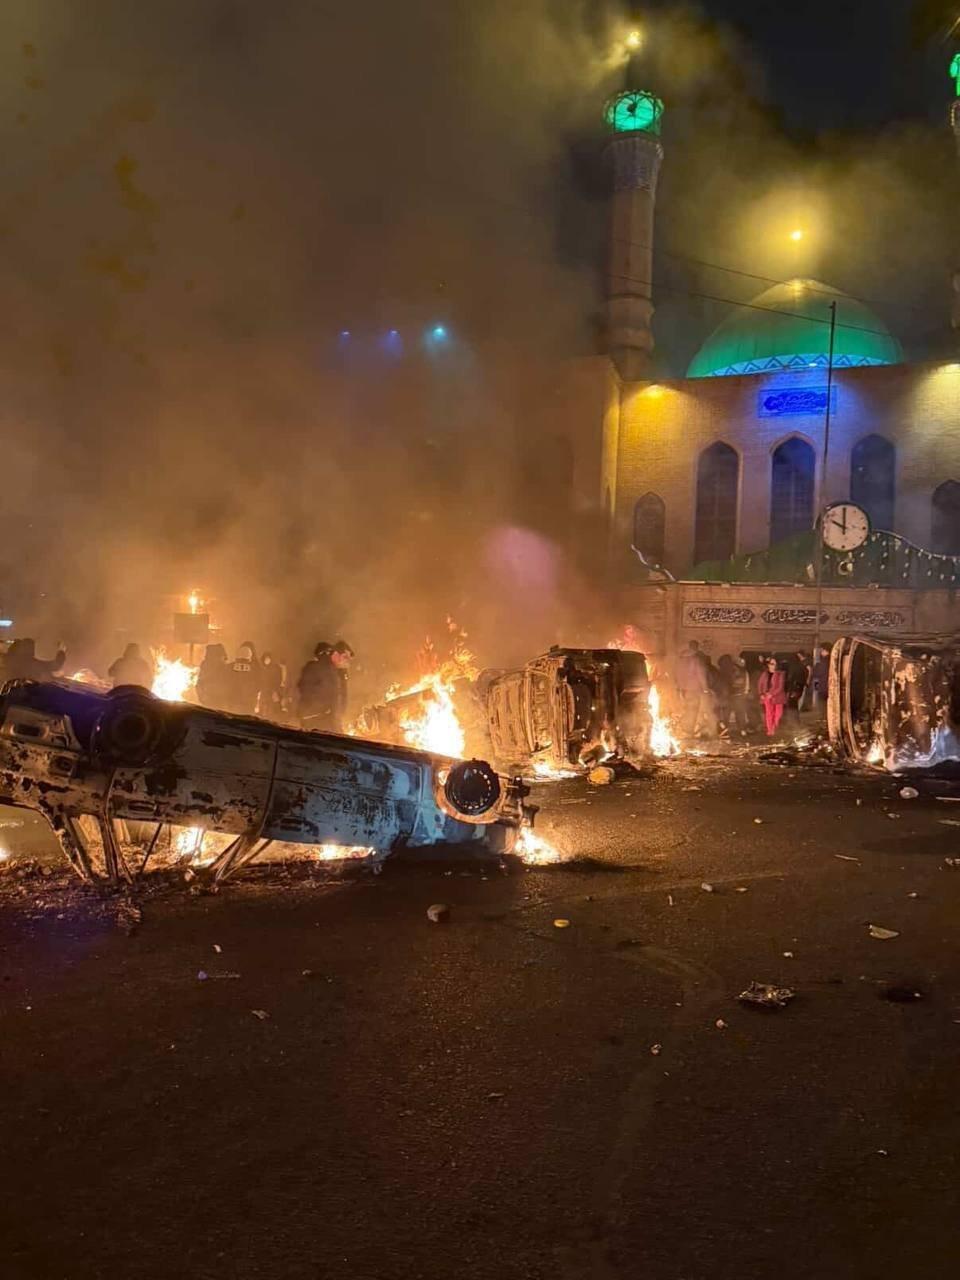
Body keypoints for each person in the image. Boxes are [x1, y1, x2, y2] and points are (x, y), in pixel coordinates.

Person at [297, 639, 354, 732]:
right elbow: (303, 689)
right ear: (335, 654)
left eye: (348, 659)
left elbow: (338, 700)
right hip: (317, 722)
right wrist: (320, 712)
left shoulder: (337, 673)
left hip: (329, 722)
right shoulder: (317, 668)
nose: (346, 661)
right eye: (345, 657)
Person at [226, 641, 261, 715]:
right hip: (248, 701)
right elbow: (259, 683)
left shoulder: (230, 667)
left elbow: (226, 681)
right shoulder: (256, 668)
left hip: (234, 700)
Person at [757, 657, 787, 738]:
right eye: (772, 664)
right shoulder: (765, 674)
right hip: (766, 696)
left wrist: (771, 694)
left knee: (778, 715)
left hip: (778, 697)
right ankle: (770, 730)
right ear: (768, 665)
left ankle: (775, 728)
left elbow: (780, 687)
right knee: (769, 714)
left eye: (775, 664)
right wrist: (761, 694)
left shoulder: (780, 674)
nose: (774, 666)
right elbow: (760, 684)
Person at [196, 643, 231, 710]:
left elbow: (199, 683)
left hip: (209, 699)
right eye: (222, 656)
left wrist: (202, 697)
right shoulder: (223, 667)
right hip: (218, 700)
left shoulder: (205, 666)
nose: (224, 659)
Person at [728, 656, 753, 735]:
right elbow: (747, 685)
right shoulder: (745, 672)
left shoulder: (732, 671)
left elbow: (731, 683)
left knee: (733, 712)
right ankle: (742, 730)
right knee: (740, 713)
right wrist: (745, 692)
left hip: (734, 695)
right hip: (740, 695)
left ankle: (725, 729)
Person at [785, 651, 810, 728]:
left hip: (794, 688)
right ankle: (796, 721)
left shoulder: (793, 667)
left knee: (792, 706)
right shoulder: (802, 666)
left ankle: (793, 722)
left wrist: (789, 689)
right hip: (800, 688)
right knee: (795, 705)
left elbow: (790, 678)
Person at [260, 651, 285, 718]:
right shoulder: (263, 668)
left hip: (272, 691)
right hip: (265, 691)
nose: (266, 660)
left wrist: (275, 690)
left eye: (268, 658)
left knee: (272, 708)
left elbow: (278, 680)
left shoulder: (275, 668)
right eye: (265, 658)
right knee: (265, 707)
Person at [810, 645, 831, 719]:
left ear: (826, 651)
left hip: (823, 686)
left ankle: (824, 719)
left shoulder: (824, 662)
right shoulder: (833, 660)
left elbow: (816, 674)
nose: (821, 652)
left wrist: (816, 667)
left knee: (822, 704)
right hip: (830, 686)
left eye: (822, 650)